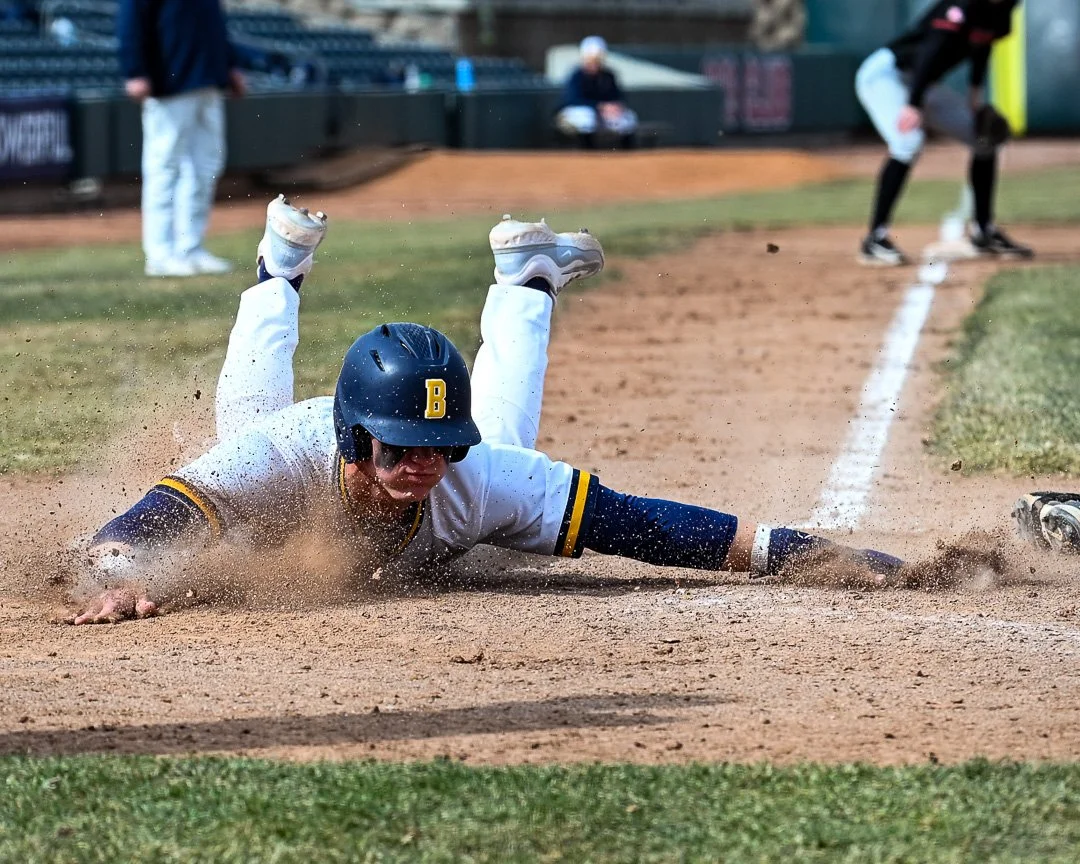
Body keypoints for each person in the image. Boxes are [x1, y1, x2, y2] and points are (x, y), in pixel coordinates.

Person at [65, 195, 905, 624]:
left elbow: (637, 523)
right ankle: (282, 267)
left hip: (455, 474)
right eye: (399, 449)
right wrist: (118, 579)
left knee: (506, 449)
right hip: (275, 457)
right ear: (354, 441)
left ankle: (527, 278)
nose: (423, 462)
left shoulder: (478, 472)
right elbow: (135, 528)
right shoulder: (277, 460)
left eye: (438, 443)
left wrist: (806, 553)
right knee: (244, 414)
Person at [855, 0, 1034, 267]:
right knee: (908, 140)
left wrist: (975, 96)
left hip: (922, 82)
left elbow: (983, 46)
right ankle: (874, 239)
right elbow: (931, 50)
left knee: (983, 139)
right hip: (887, 75)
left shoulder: (1004, 10)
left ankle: (983, 232)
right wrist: (913, 104)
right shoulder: (962, 5)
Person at [117, 0, 246, 278]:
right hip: (169, 82)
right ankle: (161, 254)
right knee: (164, 167)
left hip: (208, 78)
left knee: (205, 166)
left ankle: (190, 247)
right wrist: (134, 69)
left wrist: (230, 64)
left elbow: (214, 23)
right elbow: (131, 20)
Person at [555, 36, 638, 150]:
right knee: (586, 116)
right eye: (591, 59)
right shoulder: (577, 76)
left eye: (597, 59)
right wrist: (600, 106)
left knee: (628, 117)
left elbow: (617, 96)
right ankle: (588, 151)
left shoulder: (608, 76)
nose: (594, 63)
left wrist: (616, 106)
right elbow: (572, 100)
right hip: (575, 114)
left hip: (602, 115)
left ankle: (627, 154)